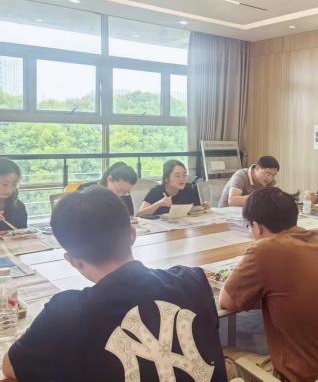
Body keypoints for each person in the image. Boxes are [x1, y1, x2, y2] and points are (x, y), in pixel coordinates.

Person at [2, 187, 227, 381]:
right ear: (132, 234)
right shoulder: (193, 280)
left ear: (72, 260)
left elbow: (11, 368)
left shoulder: (65, 313)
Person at [220, 187, 318, 382]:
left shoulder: (264, 250)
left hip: (308, 377)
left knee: (219, 355)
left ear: (257, 226)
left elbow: (227, 300)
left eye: (249, 226)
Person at [138, 160, 205, 216]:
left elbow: (197, 209)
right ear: (166, 178)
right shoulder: (156, 191)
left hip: (184, 225)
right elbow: (139, 214)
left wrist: (204, 207)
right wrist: (159, 203)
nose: (182, 179)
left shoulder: (190, 189)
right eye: (177, 176)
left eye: (184, 175)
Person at [0, 158, 27, 231]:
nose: (9, 190)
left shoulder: (19, 206)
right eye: (4, 184)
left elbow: (23, 233)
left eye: (14, 184)